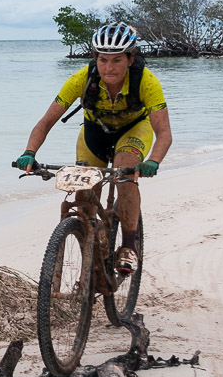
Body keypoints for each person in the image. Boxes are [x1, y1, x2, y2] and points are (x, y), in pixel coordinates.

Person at [15, 22, 172, 273]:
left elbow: (164, 132)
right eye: (103, 60)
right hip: (95, 132)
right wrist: (29, 153)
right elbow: (46, 121)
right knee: (84, 194)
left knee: (125, 174)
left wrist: (153, 161)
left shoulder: (147, 82)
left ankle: (129, 246)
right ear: (95, 58)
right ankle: (90, 261)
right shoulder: (80, 79)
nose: (108, 68)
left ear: (131, 58)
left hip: (133, 130)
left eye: (117, 60)